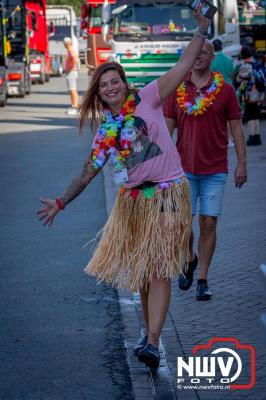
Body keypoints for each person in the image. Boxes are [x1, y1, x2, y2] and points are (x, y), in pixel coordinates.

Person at [37, 7, 209, 370]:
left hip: (167, 193)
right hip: (134, 202)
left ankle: (153, 340)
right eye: (104, 84)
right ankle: (150, 332)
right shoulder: (106, 133)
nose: (111, 86)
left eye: (115, 80)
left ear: (124, 83)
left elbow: (182, 66)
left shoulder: (149, 96)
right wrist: (60, 202)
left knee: (160, 268)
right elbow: (88, 172)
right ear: (99, 94)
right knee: (145, 274)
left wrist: (202, 30)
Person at [163, 40, 247, 301]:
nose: (198, 56)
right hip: (182, 169)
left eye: (204, 53)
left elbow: (235, 128)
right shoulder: (177, 87)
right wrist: (159, 165)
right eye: (194, 53)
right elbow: (167, 131)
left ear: (213, 57)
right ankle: (189, 258)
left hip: (215, 169)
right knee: (181, 224)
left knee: (208, 222)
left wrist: (242, 163)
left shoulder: (226, 90)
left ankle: (203, 279)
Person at [233, 45, 265, 146]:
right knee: (256, 115)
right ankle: (257, 136)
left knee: (250, 115)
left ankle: (252, 136)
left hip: (250, 95)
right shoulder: (257, 63)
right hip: (259, 94)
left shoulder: (245, 66)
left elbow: (239, 79)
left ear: (242, 55)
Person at [63, 37, 79, 116]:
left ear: (66, 44)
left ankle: (75, 107)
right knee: (71, 90)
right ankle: (73, 106)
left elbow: (75, 59)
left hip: (71, 72)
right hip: (71, 72)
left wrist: (70, 67)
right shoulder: (70, 50)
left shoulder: (71, 50)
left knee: (72, 90)